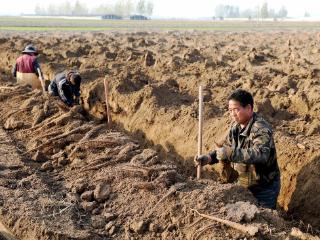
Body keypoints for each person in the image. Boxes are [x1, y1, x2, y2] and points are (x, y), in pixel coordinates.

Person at [195, 89, 280, 209]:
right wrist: (209, 158)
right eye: (230, 110)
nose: (233, 114)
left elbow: (261, 154)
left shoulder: (260, 129)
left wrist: (230, 153)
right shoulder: (235, 127)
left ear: (249, 108)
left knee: (264, 219)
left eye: (236, 109)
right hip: (244, 181)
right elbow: (225, 149)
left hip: (264, 187)